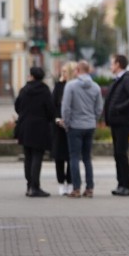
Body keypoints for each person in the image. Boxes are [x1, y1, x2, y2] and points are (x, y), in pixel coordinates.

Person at [61, 60, 103, 199]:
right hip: (89, 125)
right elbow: (99, 108)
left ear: (77, 70)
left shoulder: (70, 86)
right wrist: (93, 119)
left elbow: (66, 107)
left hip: (74, 126)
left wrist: (66, 123)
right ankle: (90, 188)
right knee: (87, 158)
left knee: (74, 157)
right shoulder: (96, 87)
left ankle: (76, 188)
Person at [14, 66, 55, 197]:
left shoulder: (24, 90)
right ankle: (35, 187)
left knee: (28, 157)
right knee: (37, 156)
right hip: (40, 127)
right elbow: (51, 110)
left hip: (25, 127)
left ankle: (29, 185)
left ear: (31, 76)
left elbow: (17, 106)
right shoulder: (45, 90)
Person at [104, 54, 129, 196]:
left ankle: (126, 186)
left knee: (121, 153)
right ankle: (121, 185)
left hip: (123, 122)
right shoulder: (118, 79)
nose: (111, 66)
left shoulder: (128, 78)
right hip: (116, 122)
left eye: (112, 63)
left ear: (118, 64)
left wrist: (118, 108)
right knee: (117, 154)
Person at [51, 62, 77, 196]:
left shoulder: (75, 86)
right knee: (59, 157)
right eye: (62, 71)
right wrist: (57, 119)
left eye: (65, 71)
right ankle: (61, 183)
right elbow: (53, 104)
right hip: (58, 127)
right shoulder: (58, 86)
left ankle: (71, 182)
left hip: (72, 125)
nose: (63, 74)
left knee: (71, 156)